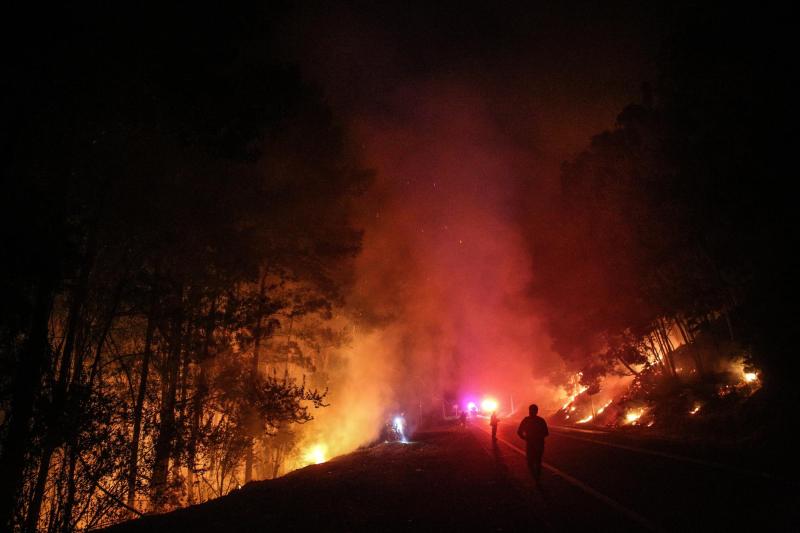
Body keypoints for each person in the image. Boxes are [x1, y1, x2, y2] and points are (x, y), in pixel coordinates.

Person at [517, 404, 548, 481]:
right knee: (538, 461)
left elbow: (519, 432)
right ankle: (538, 477)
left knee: (530, 461)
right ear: (537, 411)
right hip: (539, 444)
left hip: (530, 444)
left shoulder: (526, 420)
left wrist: (525, 438)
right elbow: (546, 433)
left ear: (529, 411)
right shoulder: (541, 420)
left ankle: (535, 478)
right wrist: (539, 437)